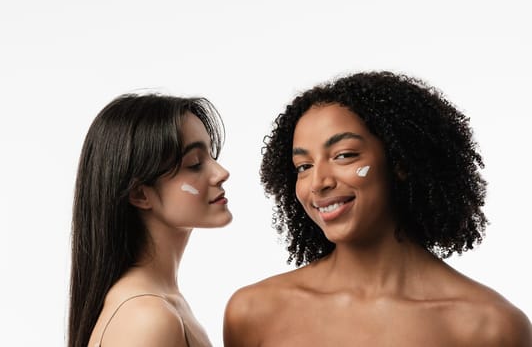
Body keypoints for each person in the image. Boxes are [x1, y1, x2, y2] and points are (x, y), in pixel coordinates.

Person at [223, 71, 532, 346]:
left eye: (344, 155)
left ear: (400, 162)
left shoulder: (490, 328)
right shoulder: (254, 313)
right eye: (303, 166)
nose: (317, 182)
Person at [68, 93, 231, 347]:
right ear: (140, 194)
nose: (221, 173)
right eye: (195, 163)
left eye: (211, 156)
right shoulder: (147, 318)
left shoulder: (161, 303)